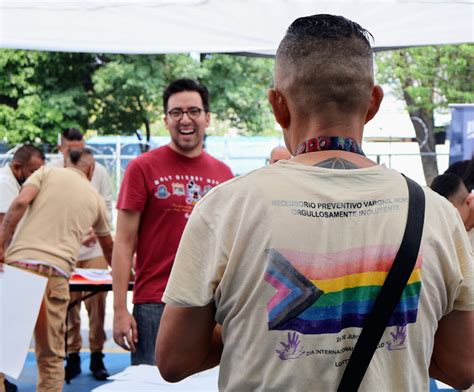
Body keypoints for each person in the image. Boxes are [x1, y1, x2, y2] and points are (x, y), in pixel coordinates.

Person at [156, 14, 474, 391]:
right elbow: (462, 367)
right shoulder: (437, 214)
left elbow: (175, 360)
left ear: (278, 105)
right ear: (372, 103)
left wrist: (251, 324)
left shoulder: (226, 209)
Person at [112, 79, 234, 365]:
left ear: (207, 118)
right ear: (165, 120)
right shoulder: (142, 167)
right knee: (151, 383)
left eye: (193, 111)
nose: (185, 119)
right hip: (156, 301)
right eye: (176, 113)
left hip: (211, 304)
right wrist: (119, 309)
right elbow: (123, 242)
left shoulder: (224, 174)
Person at [0, 148, 113, 392]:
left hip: (20, 268)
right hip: (56, 274)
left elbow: (19, 202)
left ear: (65, 162)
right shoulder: (95, 199)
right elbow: (109, 248)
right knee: (50, 358)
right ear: (91, 170)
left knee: (1, 354)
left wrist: (1, 246)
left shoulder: (44, 174)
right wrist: (127, 275)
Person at [49, 128, 113, 381]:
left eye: (81, 148)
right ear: (61, 150)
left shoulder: (98, 170)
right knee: (65, 305)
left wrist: (93, 232)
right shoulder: (51, 172)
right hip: (64, 248)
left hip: (94, 245)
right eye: (71, 150)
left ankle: (97, 355)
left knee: (96, 305)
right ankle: (72, 355)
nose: (77, 154)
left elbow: (106, 205)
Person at [0, 145, 44, 392]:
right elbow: (5, 225)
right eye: (32, 171)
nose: (36, 175)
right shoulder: (5, 184)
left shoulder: (17, 183)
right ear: (17, 168)